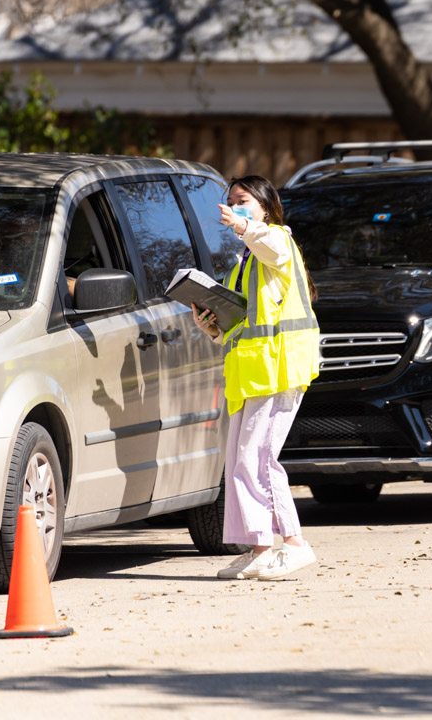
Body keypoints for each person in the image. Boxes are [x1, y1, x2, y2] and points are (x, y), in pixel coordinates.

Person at [191, 175, 321, 580]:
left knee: (258, 459)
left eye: (242, 200)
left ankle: (295, 544)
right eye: (230, 201)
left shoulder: (278, 240)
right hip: (252, 373)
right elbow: (237, 323)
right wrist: (209, 323)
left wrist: (243, 226)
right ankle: (261, 548)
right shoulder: (244, 264)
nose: (232, 207)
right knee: (241, 462)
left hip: (278, 370)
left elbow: (268, 244)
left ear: (265, 206)